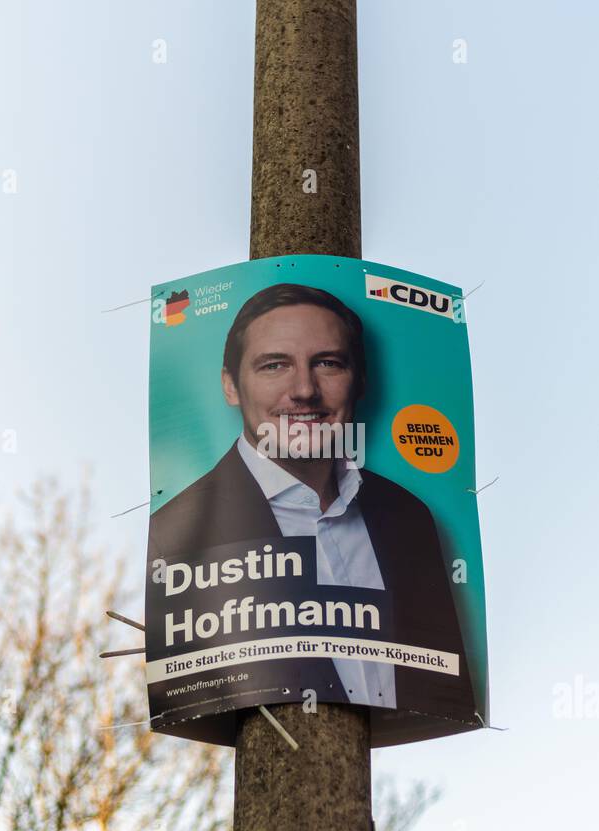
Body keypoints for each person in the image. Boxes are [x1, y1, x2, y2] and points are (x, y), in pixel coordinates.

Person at [147, 283, 477, 734]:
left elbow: (442, 690)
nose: (303, 389)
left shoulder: (410, 518)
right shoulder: (175, 532)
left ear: (360, 379)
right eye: (274, 365)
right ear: (230, 385)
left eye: (328, 363)